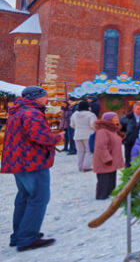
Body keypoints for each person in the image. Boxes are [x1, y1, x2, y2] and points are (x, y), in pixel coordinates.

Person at [2, 86, 62, 251]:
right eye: (44, 96)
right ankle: (27, 237)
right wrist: (57, 137)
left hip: (19, 162)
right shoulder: (31, 113)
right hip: (32, 161)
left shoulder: (18, 111)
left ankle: (19, 234)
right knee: (38, 198)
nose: (47, 99)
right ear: (36, 97)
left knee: (24, 197)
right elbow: (40, 136)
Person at [92, 112, 125, 200]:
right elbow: (101, 147)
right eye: (115, 118)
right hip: (105, 161)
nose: (117, 119)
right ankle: (102, 196)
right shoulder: (103, 131)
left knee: (111, 178)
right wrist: (107, 159)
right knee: (104, 179)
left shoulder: (112, 130)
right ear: (108, 120)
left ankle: (110, 193)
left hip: (112, 160)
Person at [70, 100, 97, 172]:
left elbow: (72, 125)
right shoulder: (91, 115)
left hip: (77, 135)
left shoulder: (74, 114)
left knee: (80, 151)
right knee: (89, 151)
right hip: (88, 135)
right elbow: (93, 125)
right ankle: (87, 166)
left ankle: (80, 166)